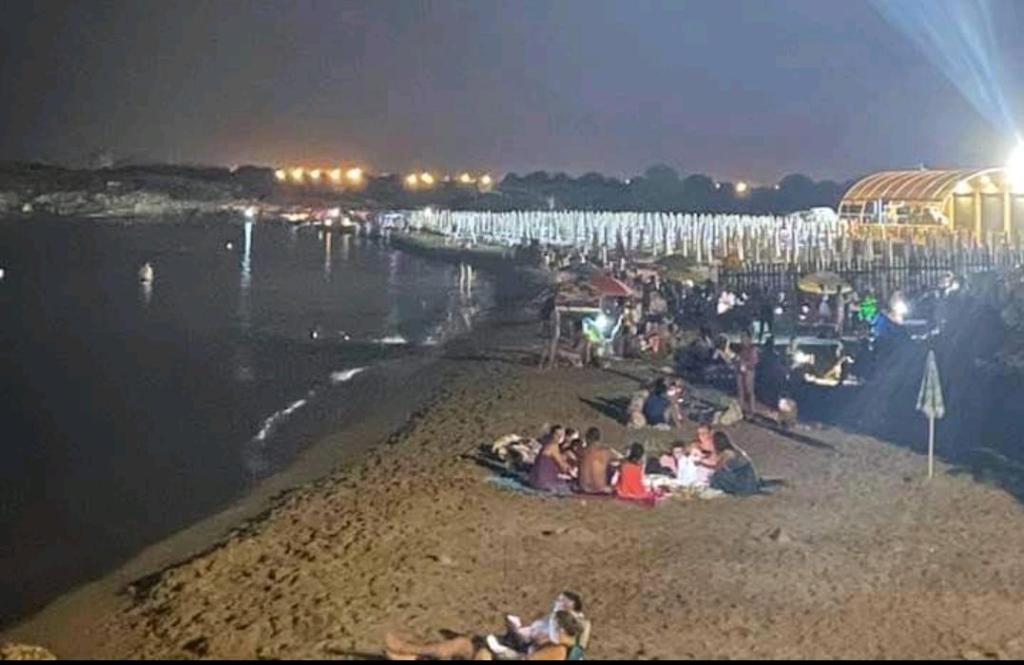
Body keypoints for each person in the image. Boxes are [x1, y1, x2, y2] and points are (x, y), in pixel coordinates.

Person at [385, 608, 587, 661]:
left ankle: (409, 653)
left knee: (471, 650)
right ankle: (409, 652)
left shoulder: (557, 651)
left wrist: (493, 652)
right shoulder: (562, 644)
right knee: (462, 644)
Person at [708, 431, 760, 496]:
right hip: (746, 479)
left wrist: (701, 462)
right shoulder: (732, 450)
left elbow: (717, 467)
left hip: (745, 482)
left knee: (716, 476)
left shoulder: (728, 453)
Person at [527, 426, 573, 494]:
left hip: (533, 480)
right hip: (543, 483)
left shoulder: (547, 444)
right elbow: (562, 466)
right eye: (557, 434)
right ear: (552, 435)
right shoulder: (553, 446)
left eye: (561, 434)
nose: (560, 436)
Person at [577, 427, 620, 494]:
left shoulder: (581, 452)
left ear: (587, 438)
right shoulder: (606, 453)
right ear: (599, 439)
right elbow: (622, 460)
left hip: (584, 488)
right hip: (600, 489)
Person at [734, 331, 760, 418]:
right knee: (740, 391)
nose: (742, 339)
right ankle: (741, 410)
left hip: (749, 372)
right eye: (741, 337)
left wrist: (745, 364)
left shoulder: (753, 349)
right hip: (740, 372)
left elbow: (754, 361)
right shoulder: (740, 349)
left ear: (749, 338)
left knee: (749, 392)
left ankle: (752, 411)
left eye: (744, 337)